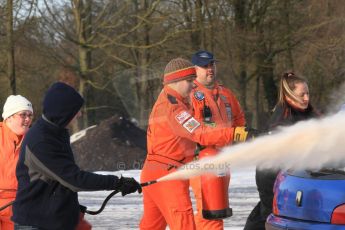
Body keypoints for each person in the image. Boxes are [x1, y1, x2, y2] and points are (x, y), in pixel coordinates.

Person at [11, 82, 142, 230]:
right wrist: (117, 182)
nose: (79, 114)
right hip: (35, 223)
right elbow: (74, 179)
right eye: (76, 110)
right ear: (63, 111)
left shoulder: (57, 132)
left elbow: (58, 179)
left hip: (54, 220)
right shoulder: (41, 141)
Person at [139, 58, 251, 230]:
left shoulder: (170, 99)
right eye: (189, 81)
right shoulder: (173, 108)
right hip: (168, 175)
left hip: (153, 172)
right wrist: (234, 133)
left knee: (151, 226)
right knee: (184, 225)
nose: (193, 85)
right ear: (176, 80)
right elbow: (199, 133)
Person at [244, 72, 320, 230]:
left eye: (308, 93)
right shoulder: (282, 118)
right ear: (289, 95)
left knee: (264, 215)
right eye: (302, 94)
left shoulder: (309, 112)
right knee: (272, 217)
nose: (306, 98)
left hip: (293, 175)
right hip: (271, 176)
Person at [189, 50, 246, 230]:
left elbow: (239, 119)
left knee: (211, 212)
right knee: (212, 212)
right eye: (205, 66)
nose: (210, 69)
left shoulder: (226, 94)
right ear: (195, 69)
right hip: (202, 160)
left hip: (222, 160)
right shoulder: (191, 95)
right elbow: (191, 132)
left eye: (212, 65)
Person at [0, 95, 33, 230]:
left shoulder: (35, 140)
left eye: (30, 116)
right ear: (9, 117)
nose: (27, 119)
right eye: (23, 115)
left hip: (21, 204)